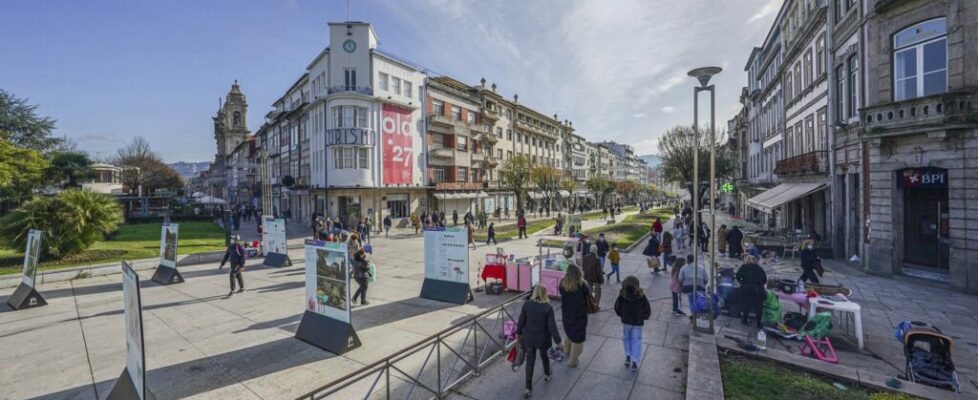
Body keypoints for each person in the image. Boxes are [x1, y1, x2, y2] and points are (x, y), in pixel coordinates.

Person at [516, 285, 562, 399]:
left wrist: (518, 334)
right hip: (543, 339)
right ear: (544, 294)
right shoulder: (548, 308)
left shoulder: (527, 305)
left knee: (530, 361)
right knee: (544, 356)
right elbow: (552, 326)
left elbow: (521, 321)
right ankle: (547, 374)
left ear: (534, 293)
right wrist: (559, 341)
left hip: (529, 338)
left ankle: (528, 388)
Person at [614, 276, 652, 372]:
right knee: (637, 340)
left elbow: (617, 308)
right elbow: (647, 309)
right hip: (637, 322)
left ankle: (628, 356)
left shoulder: (622, 295)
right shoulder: (641, 295)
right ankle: (634, 361)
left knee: (626, 338)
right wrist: (643, 316)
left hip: (626, 321)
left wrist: (622, 315)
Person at [558, 265, 590, 368]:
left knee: (569, 333)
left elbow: (561, 293)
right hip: (580, 315)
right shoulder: (583, 285)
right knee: (578, 338)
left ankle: (567, 351)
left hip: (567, 314)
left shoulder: (563, 283)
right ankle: (573, 360)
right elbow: (588, 297)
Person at [736, 256, 768, 328]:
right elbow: (764, 280)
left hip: (747, 288)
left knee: (746, 304)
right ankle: (759, 324)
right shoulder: (759, 268)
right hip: (758, 290)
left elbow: (738, 276)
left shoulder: (744, 267)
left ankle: (745, 320)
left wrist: (742, 282)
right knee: (759, 307)